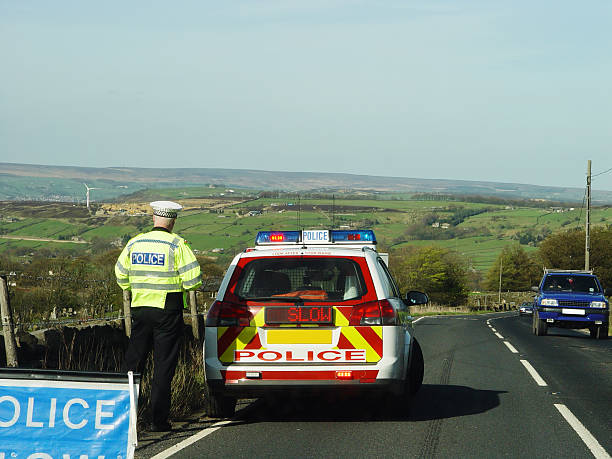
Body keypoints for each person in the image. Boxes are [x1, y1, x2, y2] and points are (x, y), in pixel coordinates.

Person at [115, 200, 202, 432]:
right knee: (164, 366)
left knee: (133, 364)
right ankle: (158, 421)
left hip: (140, 308)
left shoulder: (134, 242)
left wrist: (136, 288)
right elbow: (194, 279)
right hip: (168, 310)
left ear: (154, 218)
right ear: (173, 221)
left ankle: (124, 418)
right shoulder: (177, 245)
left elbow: (120, 275)